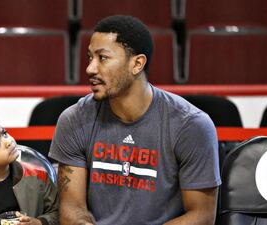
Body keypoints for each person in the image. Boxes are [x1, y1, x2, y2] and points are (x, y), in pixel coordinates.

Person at [49, 15, 221, 225]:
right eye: (89, 57)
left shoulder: (191, 125)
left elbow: (202, 216)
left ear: (137, 64)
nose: (90, 69)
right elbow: (71, 208)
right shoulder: (74, 119)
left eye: (102, 58)